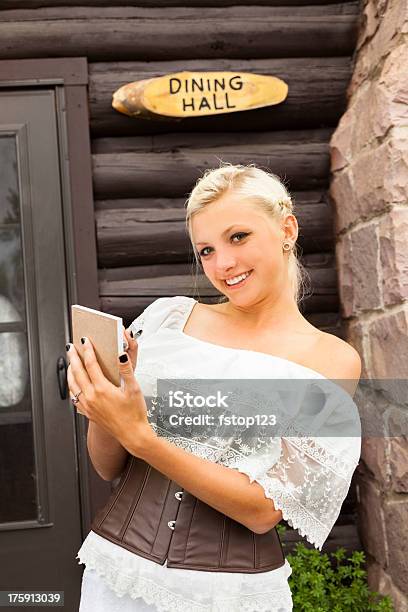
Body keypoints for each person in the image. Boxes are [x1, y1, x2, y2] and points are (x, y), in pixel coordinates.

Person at [69, 163, 362, 611]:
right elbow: (109, 466)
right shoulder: (168, 318)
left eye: (238, 237)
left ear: (287, 228)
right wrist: (105, 402)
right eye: (205, 250)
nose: (223, 264)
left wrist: (141, 436)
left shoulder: (330, 360)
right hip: (116, 578)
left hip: (229, 597)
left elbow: (263, 511)